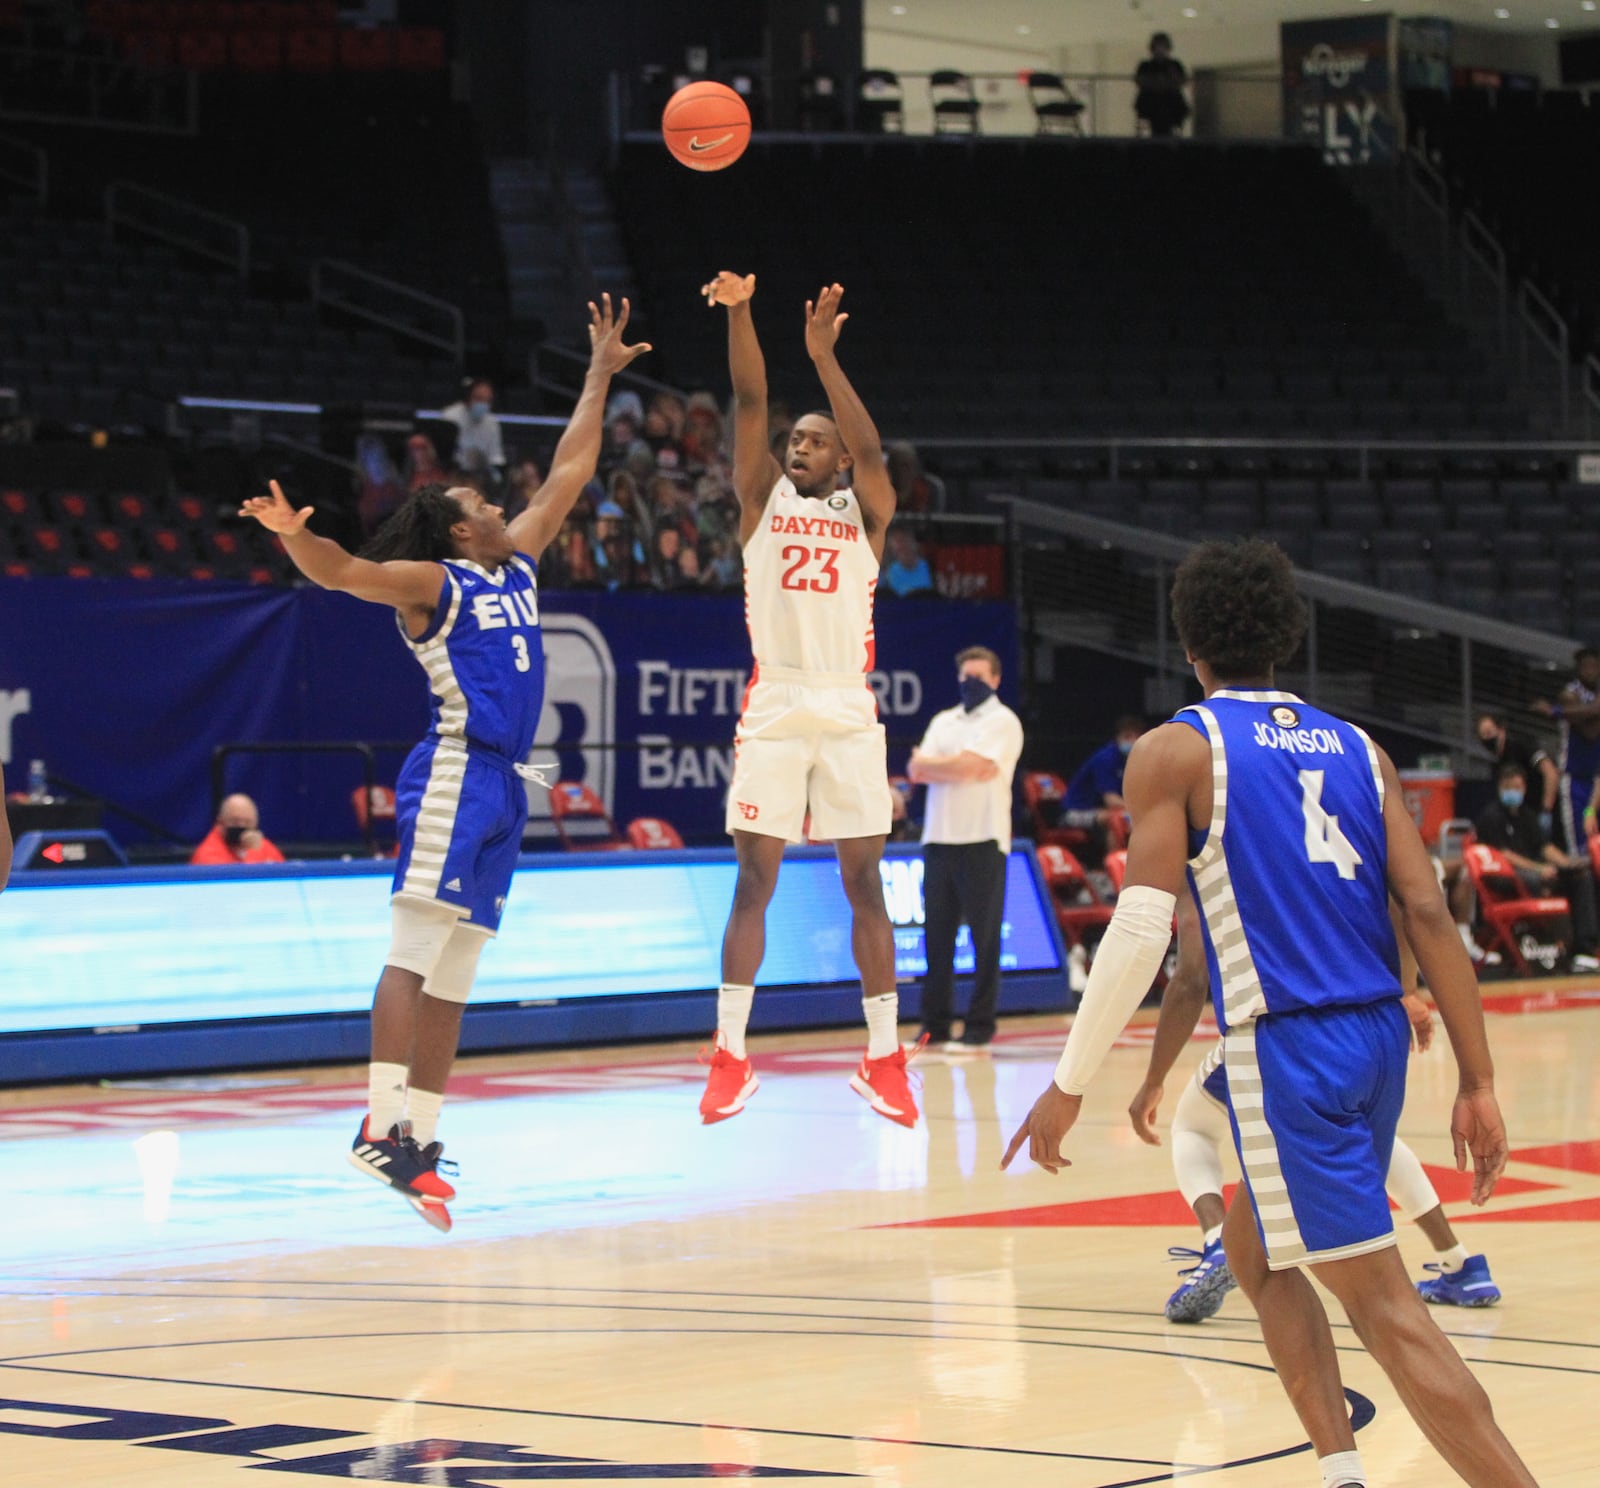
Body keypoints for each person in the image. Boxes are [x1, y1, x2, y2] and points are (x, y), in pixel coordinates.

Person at [1002, 539, 1536, 1488]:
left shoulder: (1177, 748)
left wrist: (1066, 1083)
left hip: (1291, 1044)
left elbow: (1137, 931)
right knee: (1255, 1250)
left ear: (1190, 642)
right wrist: (1480, 1082)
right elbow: (1426, 913)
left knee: (1385, 1310)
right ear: (1283, 639)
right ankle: (1340, 1473)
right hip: (1378, 1039)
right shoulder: (1359, 748)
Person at [240, 295, 648, 1231]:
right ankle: (377, 1124)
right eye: (481, 504)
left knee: (458, 975)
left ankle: (415, 1139)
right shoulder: (437, 583)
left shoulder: (518, 564)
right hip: (458, 773)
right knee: (415, 953)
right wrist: (293, 534)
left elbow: (573, 470)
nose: (501, 504)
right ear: (458, 529)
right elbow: (343, 571)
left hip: (506, 783)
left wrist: (597, 374)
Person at [696, 271, 917, 1128]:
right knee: (754, 879)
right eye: (795, 439)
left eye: (816, 440)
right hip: (779, 705)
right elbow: (749, 397)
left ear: (840, 461)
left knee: (866, 882)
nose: (800, 444)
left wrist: (826, 361)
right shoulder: (761, 502)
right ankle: (728, 1055)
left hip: (850, 709)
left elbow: (872, 449)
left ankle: (884, 1058)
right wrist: (745, 312)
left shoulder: (870, 512)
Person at [1130, 891, 1502, 1325]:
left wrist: (1152, 1080)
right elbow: (1413, 903)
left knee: (1192, 1125)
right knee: (1354, 1130)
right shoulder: (1359, 823)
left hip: (1289, 1025)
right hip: (1375, 1019)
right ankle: (1458, 1262)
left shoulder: (1232, 837)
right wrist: (1407, 989)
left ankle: (1220, 1239)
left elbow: (1192, 978)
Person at [908, 646, 1024, 1054]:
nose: (970, 682)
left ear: (995, 679)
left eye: (978, 676)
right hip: (939, 838)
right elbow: (916, 770)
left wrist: (941, 766)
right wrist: (951, 766)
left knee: (984, 938)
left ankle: (979, 1025)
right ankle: (934, 1025)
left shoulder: (1003, 721)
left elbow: (977, 768)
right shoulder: (944, 720)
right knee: (936, 938)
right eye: (965, 675)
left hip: (984, 839)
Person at [1471, 761, 1600, 971]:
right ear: (1500, 787)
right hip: (1506, 878)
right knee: (1538, 878)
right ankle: (1547, 939)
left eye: (1518, 787)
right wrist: (1539, 869)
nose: (1514, 792)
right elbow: (1505, 856)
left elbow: (1545, 847)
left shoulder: (1527, 815)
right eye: (1509, 787)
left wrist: (1568, 864)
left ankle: (1584, 949)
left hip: (1534, 872)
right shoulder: (1491, 816)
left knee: (1581, 877)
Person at [1532, 644, 1600, 852]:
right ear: (1578, 669)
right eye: (1585, 666)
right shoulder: (1569, 694)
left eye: (1593, 665)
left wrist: (1555, 711)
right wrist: (1565, 710)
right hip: (1574, 778)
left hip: (1597, 777)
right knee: (1580, 845)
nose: (1589, 670)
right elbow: (1590, 732)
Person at [1064, 715, 1145, 815]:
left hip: (1100, 808)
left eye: (1137, 737)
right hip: (1075, 810)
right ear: (1117, 738)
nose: (1133, 741)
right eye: (1127, 736)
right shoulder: (1105, 758)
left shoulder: (1131, 759)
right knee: (1114, 819)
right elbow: (1111, 801)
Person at [441, 377, 507, 482]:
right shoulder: (450, 416)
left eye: (487, 401)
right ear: (467, 397)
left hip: (481, 477)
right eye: (479, 399)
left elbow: (496, 457)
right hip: (453, 474)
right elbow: (444, 454)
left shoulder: (492, 423)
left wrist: (488, 467)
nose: (483, 404)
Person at [191, 793, 287, 866]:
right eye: (234, 822)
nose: (242, 827)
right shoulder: (207, 855)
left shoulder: (264, 847)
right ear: (220, 822)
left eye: (248, 822)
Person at [1134, 31, 1190, 137]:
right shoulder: (1146, 65)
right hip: (1150, 104)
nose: (1160, 50)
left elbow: (1181, 81)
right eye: (1157, 46)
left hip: (1171, 104)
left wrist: (1166, 82)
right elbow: (1140, 81)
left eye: (1162, 46)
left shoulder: (1174, 65)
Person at [881, 523, 933, 597]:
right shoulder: (887, 573)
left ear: (912, 541)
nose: (902, 545)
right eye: (897, 541)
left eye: (904, 539)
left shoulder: (928, 566)